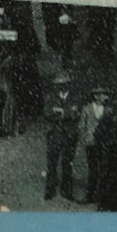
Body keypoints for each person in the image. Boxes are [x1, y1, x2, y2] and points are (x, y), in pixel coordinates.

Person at [43, 71, 81, 201]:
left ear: (69, 85)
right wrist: (67, 113)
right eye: (59, 84)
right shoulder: (50, 97)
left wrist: (61, 113)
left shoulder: (75, 98)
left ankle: (67, 190)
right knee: (52, 163)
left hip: (70, 135)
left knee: (67, 163)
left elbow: (76, 114)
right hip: (54, 135)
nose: (61, 86)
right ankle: (50, 189)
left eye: (64, 84)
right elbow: (47, 113)